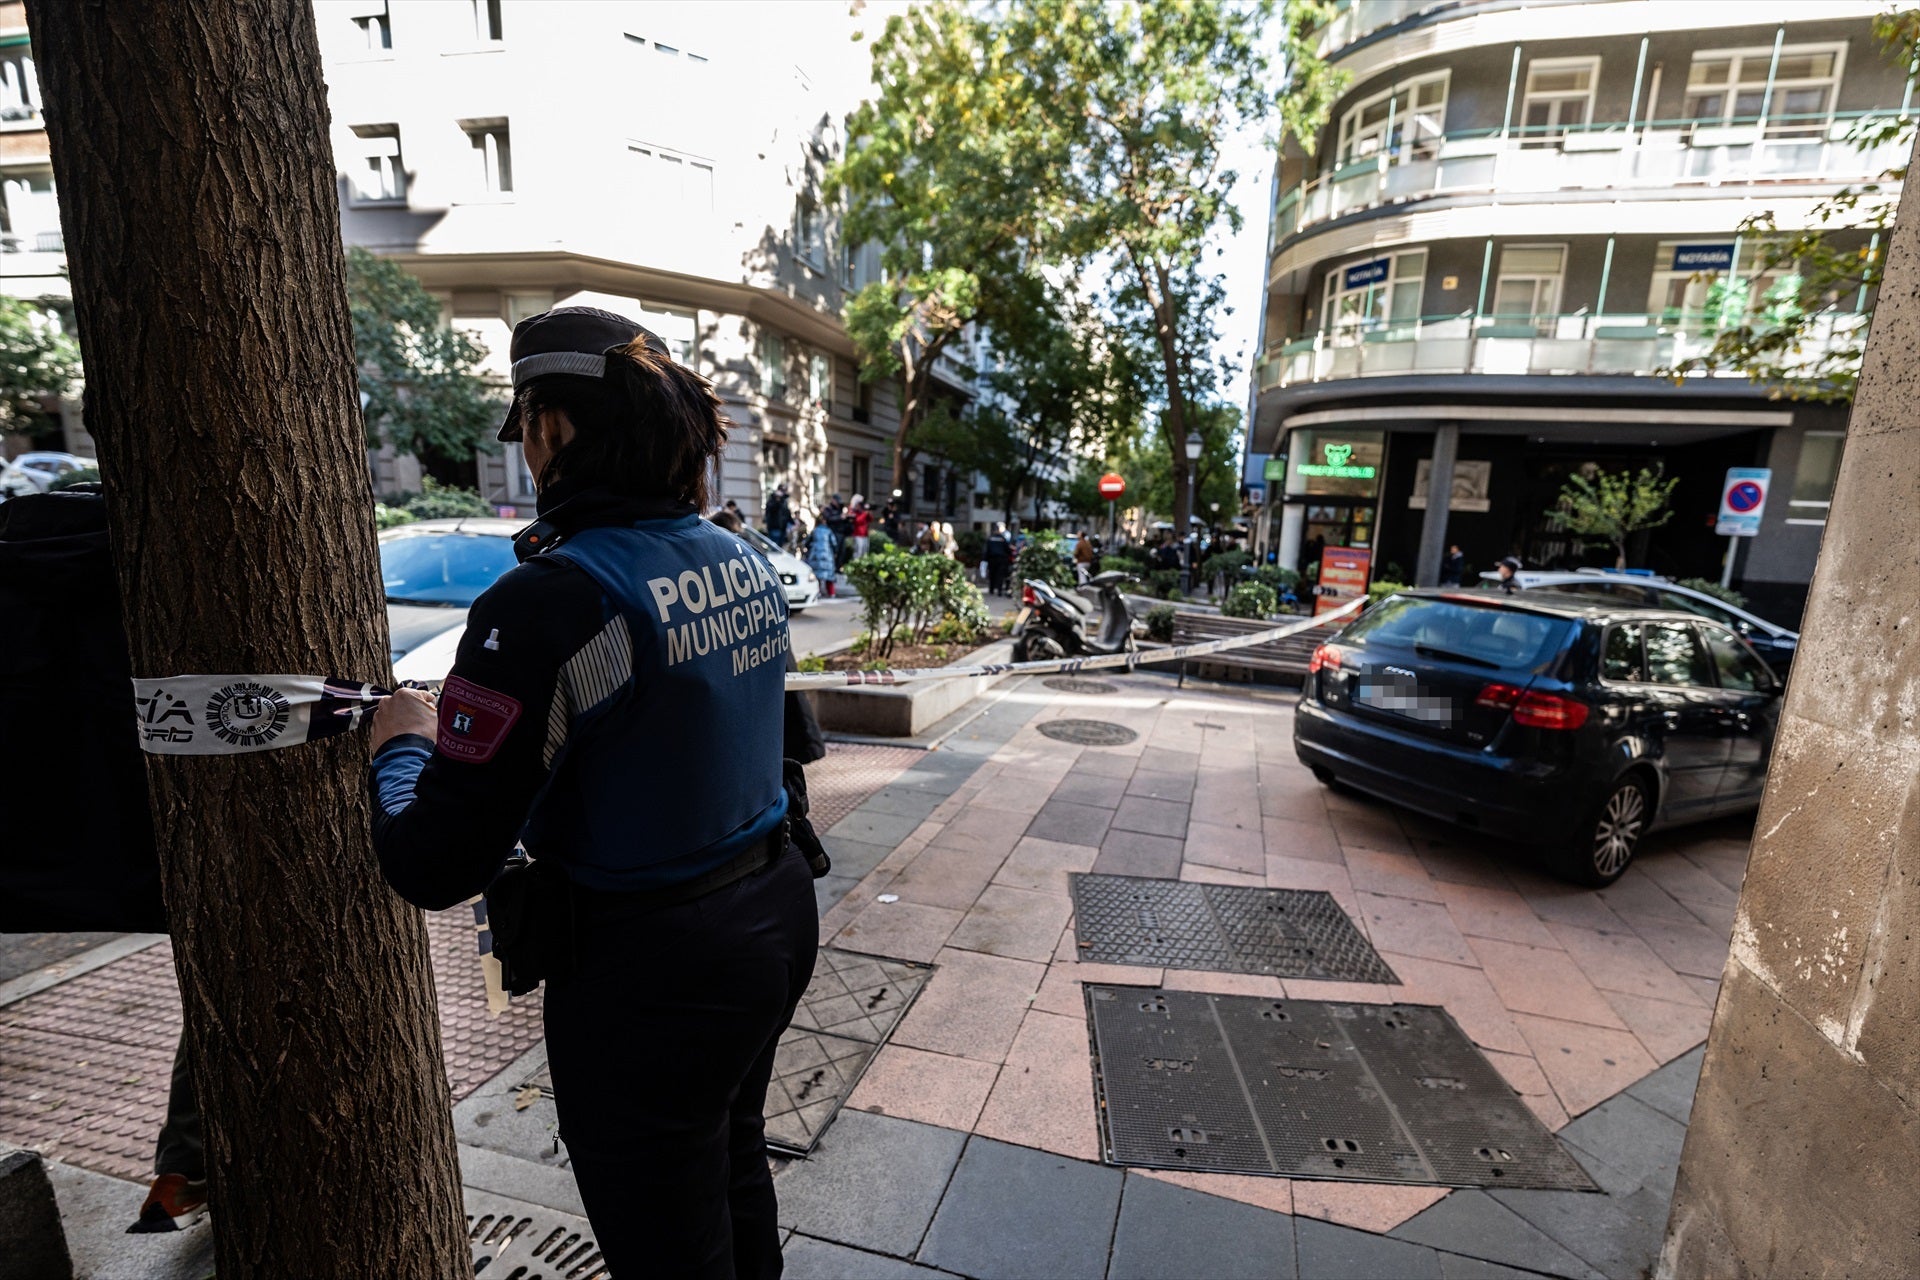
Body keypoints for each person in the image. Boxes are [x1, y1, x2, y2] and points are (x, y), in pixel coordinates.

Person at [365, 306, 817, 1278]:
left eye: (527, 428)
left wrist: (399, 744)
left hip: (652, 979)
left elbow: (431, 859)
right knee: (734, 1164)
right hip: (773, 917)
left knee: (667, 1239)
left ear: (553, 427)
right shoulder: (738, 558)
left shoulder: (553, 597)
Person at [809, 515, 839, 597]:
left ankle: (817, 592)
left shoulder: (814, 531)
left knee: (817, 575)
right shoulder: (828, 531)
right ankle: (831, 592)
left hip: (816, 555)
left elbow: (808, 541)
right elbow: (834, 543)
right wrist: (835, 552)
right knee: (829, 575)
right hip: (827, 554)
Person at [983, 522, 1013, 596]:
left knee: (992, 574)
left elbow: (986, 550)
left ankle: (991, 590)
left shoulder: (990, 538)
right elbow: (1008, 549)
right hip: (1002, 560)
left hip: (991, 559)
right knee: (1000, 575)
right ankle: (999, 591)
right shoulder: (1003, 538)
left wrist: (985, 559)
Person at [762, 484, 792, 550]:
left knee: (780, 547)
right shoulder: (772, 500)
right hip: (774, 527)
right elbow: (771, 510)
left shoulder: (783, 501)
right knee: (774, 547)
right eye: (782, 490)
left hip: (782, 528)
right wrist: (777, 500)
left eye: (785, 490)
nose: (783, 492)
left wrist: (792, 523)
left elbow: (787, 513)